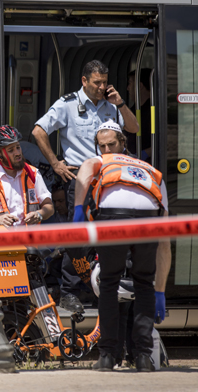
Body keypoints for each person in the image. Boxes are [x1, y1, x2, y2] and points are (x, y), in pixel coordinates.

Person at [32, 60, 139, 312]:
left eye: (105, 82)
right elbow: (38, 131)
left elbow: (133, 128)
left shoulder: (112, 104)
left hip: (110, 179)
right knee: (78, 238)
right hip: (80, 179)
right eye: (96, 82)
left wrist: (120, 103)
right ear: (84, 81)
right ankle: (69, 291)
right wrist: (55, 163)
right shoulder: (67, 104)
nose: (102, 87)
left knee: (110, 236)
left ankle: (103, 286)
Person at [73, 121, 169, 372]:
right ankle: (143, 357)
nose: (106, 150)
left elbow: (84, 169)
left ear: (123, 143)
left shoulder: (102, 162)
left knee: (109, 282)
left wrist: (77, 210)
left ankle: (107, 356)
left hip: (113, 215)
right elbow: (164, 240)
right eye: (101, 146)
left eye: (111, 144)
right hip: (149, 218)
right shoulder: (150, 170)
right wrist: (159, 290)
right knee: (144, 283)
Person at [0, 125, 54, 228]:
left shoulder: (32, 173)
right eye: (11, 150)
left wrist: (39, 214)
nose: (17, 153)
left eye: (18, 147)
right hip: (0, 242)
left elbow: (49, 207)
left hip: (29, 241)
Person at [126, 69, 152, 162]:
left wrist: (144, 153)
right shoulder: (131, 110)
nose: (127, 88)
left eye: (130, 83)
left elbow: (163, 141)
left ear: (140, 86)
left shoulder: (155, 110)